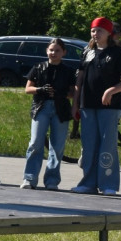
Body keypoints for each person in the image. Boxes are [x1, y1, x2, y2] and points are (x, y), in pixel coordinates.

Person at [71, 17, 121, 195]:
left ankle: (108, 184)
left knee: (107, 144)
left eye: (99, 30)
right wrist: (75, 103)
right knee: (89, 144)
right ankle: (88, 183)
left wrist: (111, 91)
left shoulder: (118, 53)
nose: (95, 34)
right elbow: (80, 80)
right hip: (87, 104)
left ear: (108, 33)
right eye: (93, 30)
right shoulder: (87, 51)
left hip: (109, 106)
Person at [22, 38, 76, 189]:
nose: (54, 53)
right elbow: (27, 89)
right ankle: (29, 178)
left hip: (61, 108)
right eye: (51, 50)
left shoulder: (68, 71)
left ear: (64, 52)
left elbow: (73, 92)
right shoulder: (38, 67)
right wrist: (40, 89)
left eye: (57, 50)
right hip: (41, 107)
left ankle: (52, 180)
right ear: (47, 51)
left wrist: (62, 93)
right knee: (35, 143)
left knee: (57, 146)